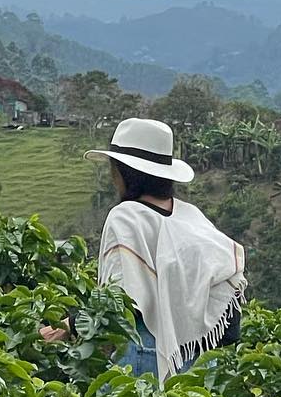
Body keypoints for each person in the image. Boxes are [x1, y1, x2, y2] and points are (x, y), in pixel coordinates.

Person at [86, 117, 246, 381]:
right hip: (197, 359)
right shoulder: (192, 217)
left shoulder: (126, 217)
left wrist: (71, 324)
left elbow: (118, 300)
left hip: (142, 354)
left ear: (125, 173)